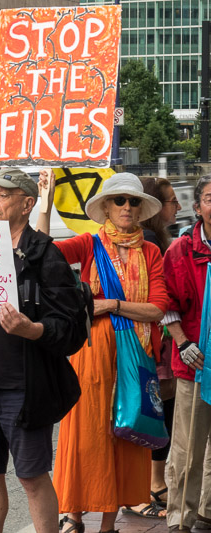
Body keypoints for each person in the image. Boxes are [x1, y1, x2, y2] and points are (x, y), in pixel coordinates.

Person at [0, 168, 87, 533]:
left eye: (1, 195)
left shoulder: (45, 255)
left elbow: (71, 331)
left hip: (23, 388)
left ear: (27, 204)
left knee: (32, 478)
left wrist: (34, 329)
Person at [38, 171, 168, 533]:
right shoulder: (87, 245)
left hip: (136, 356)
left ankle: (109, 522)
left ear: (142, 209)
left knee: (126, 434)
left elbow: (157, 308)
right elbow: (41, 253)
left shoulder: (152, 251)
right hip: (91, 353)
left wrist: (109, 304)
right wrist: (45, 207)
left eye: (134, 201)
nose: (127, 207)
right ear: (106, 208)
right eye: (119, 200)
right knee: (85, 432)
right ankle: (74, 515)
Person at [122, 177, 181, 519]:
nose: (176, 207)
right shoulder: (145, 243)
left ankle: (154, 481)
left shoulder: (161, 240)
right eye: (170, 201)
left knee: (161, 409)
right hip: (144, 340)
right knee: (149, 409)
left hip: (160, 341)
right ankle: (143, 484)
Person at [162, 175, 211, 532]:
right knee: (188, 447)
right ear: (198, 208)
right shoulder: (181, 250)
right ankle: (181, 518)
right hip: (197, 363)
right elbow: (167, 305)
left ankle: (207, 512)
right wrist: (182, 341)